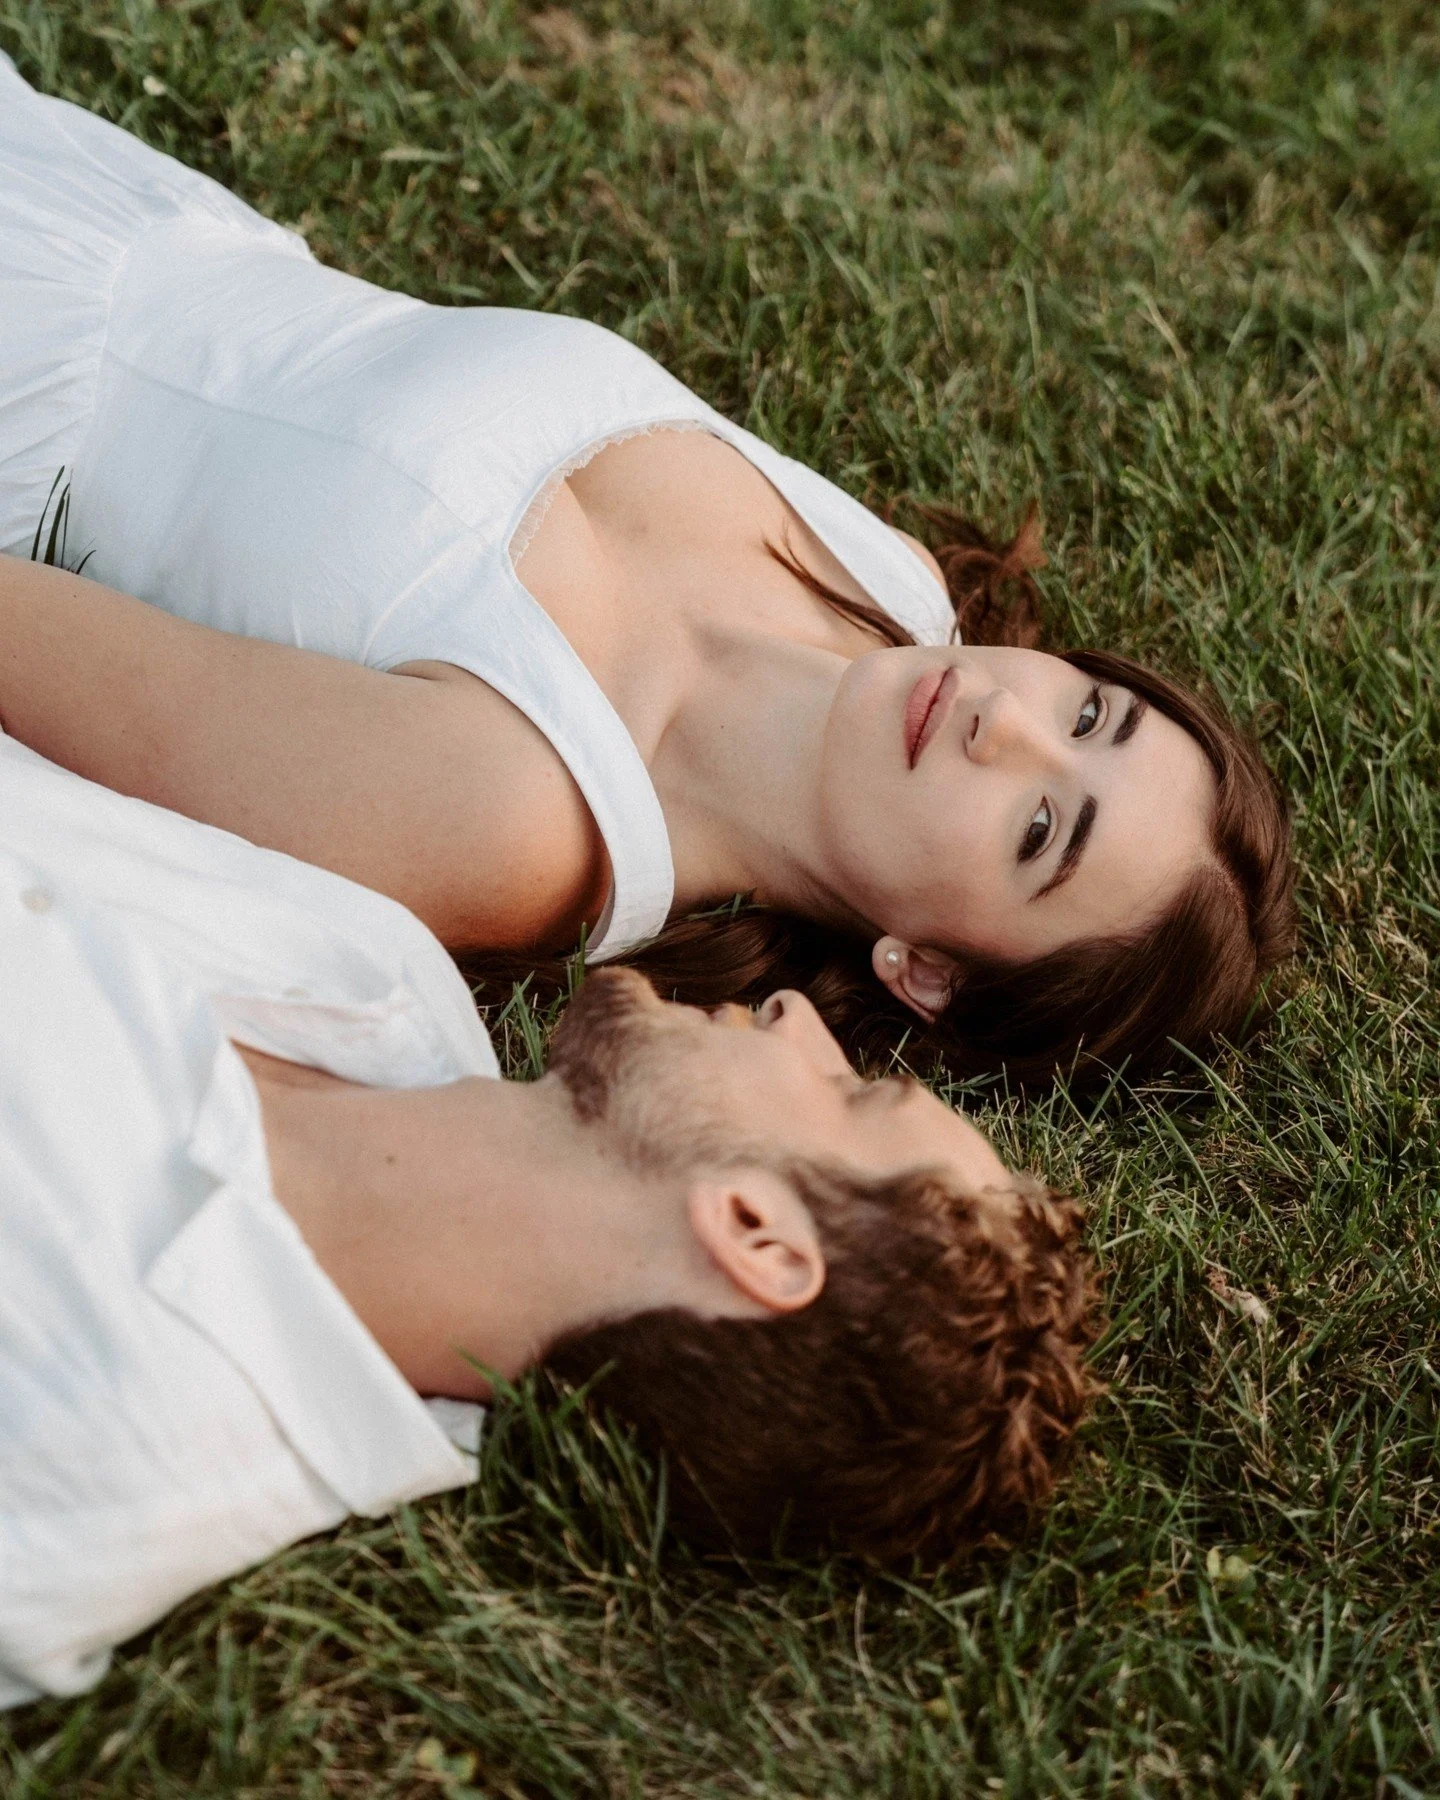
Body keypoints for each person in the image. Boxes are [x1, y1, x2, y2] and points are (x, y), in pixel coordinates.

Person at [0, 55, 1294, 1089]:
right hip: (116, 208)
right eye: (1088, 713)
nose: (1005, 722)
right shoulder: (887, 580)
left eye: (1037, 831)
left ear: (931, 975)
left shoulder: (522, 815)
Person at [0, 730, 1095, 1712]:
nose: (799, 1017)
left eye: (851, 1096)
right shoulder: (390, 979)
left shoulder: (98, 1455)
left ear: (757, 1234)